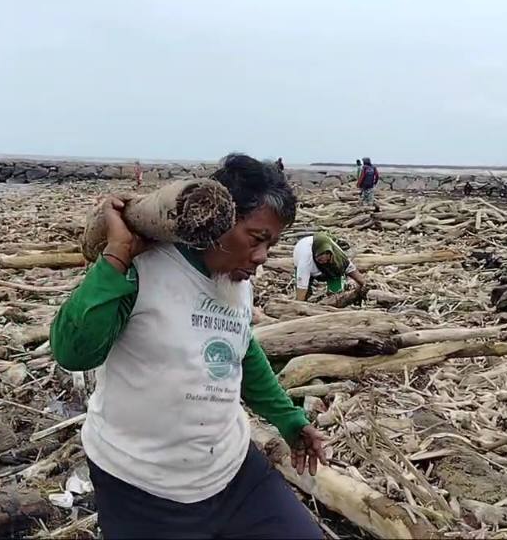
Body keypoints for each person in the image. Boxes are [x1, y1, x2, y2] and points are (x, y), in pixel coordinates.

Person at [50, 154, 325, 539]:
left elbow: (241, 351)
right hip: (141, 485)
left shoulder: (236, 280)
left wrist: (290, 420)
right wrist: (116, 255)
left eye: (271, 244)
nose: (262, 256)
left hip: (231, 472)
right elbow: (72, 352)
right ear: (218, 222)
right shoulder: (143, 267)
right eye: (256, 239)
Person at [293, 232, 365, 300]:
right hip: (308, 268)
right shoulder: (305, 261)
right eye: (320, 260)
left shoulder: (337, 254)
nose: (324, 262)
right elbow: (301, 287)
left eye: (327, 260)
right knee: (305, 294)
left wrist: (363, 283)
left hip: (328, 268)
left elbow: (349, 268)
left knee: (336, 293)